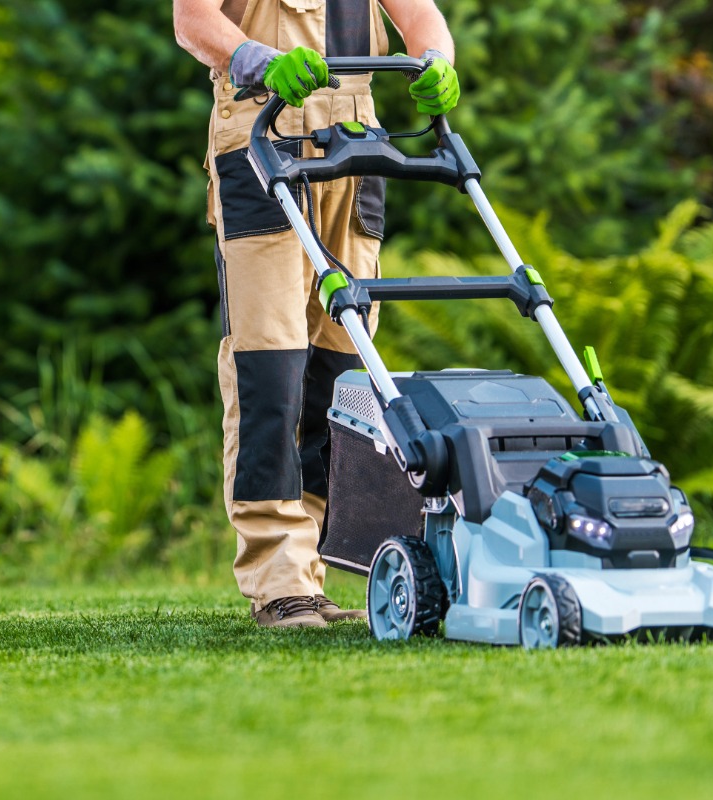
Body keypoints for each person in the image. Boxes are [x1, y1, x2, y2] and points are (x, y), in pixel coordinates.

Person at [172, 0, 459, 628]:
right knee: (269, 366)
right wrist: (259, 61)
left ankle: (314, 572)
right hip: (260, 137)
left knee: (343, 374)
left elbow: (421, 18)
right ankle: (279, 576)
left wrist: (437, 60)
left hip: (353, 150)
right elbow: (191, 20)